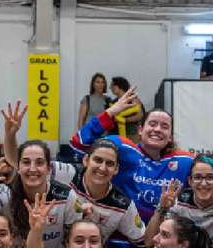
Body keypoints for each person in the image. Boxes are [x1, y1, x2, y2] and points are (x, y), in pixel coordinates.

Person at [71, 85, 194, 222]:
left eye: (165, 127)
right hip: (117, 237)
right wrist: (110, 113)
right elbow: (78, 143)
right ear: (140, 130)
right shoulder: (123, 148)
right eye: (152, 124)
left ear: (170, 136)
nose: (158, 129)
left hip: (164, 239)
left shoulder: (184, 161)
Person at [0, 140, 81, 248]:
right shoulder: (5, 193)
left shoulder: (68, 197)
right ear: (18, 167)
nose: (32, 168)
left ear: (49, 169)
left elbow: (77, 240)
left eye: (39, 162)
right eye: (26, 162)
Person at [64, 138, 146, 247]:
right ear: (86, 160)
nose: (102, 168)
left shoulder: (123, 205)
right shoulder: (65, 174)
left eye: (109, 164)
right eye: (98, 160)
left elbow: (143, 242)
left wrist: (161, 210)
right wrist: (76, 211)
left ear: (116, 169)